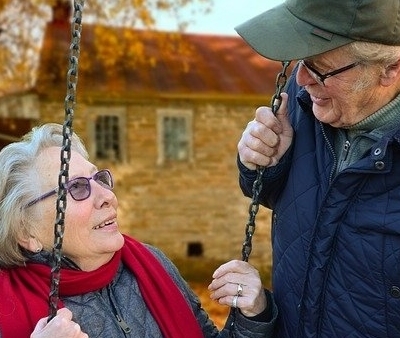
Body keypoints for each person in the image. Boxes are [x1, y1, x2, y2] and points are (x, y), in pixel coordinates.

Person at [0, 123, 277, 338]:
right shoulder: (6, 306)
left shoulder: (150, 263)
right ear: (27, 232)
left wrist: (252, 316)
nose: (107, 195)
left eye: (98, 179)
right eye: (77, 188)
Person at [234, 0, 400, 337]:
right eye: (300, 61)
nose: (302, 78)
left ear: (390, 69)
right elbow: (280, 197)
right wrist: (263, 164)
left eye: (320, 67)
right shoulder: (305, 98)